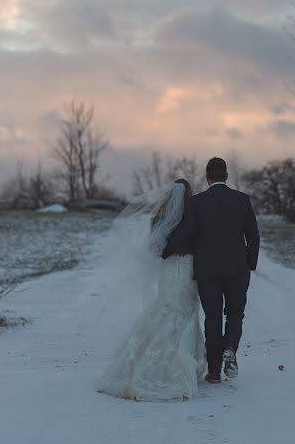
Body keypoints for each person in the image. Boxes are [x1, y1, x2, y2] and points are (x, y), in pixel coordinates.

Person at [96, 179, 206, 401]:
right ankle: (181, 365)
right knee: (185, 309)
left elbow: (153, 248)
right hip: (187, 268)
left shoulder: (158, 217)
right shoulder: (193, 216)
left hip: (167, 269)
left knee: (165, 306)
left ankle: (140, 360)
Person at [162, 157, 260, 384]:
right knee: (235, 313)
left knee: (213, 317)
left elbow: (186, 233)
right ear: (226, 176)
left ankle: (214, 370)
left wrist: (165, 251)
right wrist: (250, 263)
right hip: (237, 269)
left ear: (207, 178)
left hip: (207, 270)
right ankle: (230, 348)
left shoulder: (197, 203)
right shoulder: (242, 200)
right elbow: (253, 236)